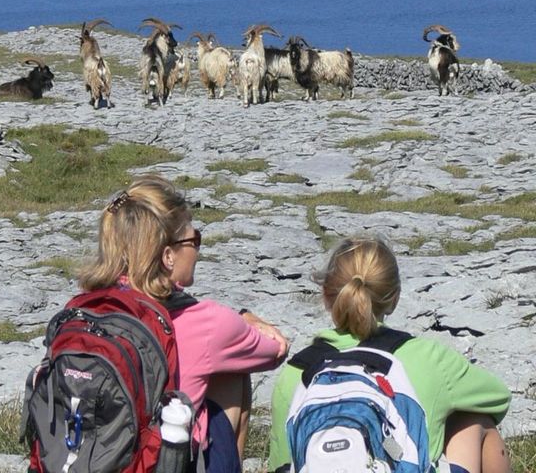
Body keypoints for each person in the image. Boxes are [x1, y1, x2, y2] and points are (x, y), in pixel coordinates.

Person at [78, 174, 289, 473]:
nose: (198, 250)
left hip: (90, 458)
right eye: (194, 240)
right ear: (168, 256)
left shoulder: (84, 310)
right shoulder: (206, 322)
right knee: (233, 372)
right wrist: (247, 319)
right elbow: (276, 350)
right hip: (161, 463)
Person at [268, 237, 511, 473]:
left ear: (326, 295)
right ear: (394, 298)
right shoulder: (429, 358)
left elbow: (281, 464)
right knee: (474, 417)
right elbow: (498, 398)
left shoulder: (295, 373)